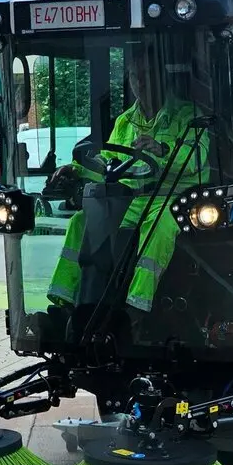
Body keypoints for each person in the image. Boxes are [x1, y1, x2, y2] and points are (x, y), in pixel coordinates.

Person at [45, 43, 210, 326]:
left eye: (147, 75)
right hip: (132, 198)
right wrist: (75, 170)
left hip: (173, 198)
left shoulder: (188, 115)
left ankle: (136, 309)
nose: (140, 83)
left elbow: (197, 157)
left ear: (162, 77)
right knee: (82, 221)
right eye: (135, 76)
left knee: (158, 227)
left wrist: (162, 149)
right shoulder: (124, 121)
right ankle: (67, 303)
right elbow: (109, 163)